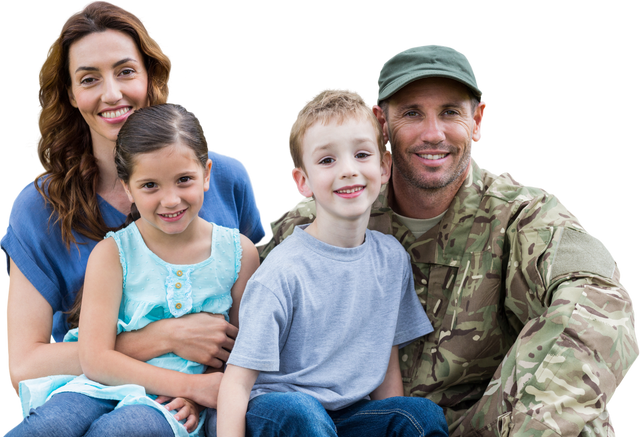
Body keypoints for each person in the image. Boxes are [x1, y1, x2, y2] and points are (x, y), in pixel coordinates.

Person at [257, 43, 639, 436]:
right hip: (353, 425)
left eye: (450, 112)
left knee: (583, 415)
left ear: (478, 120)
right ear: (381, 124)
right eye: (411, 113)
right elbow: (227, 286)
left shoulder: (523, 216)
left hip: (489, 427)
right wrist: (187, 334)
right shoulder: (321, 219)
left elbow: (601, 312)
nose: (433, 134)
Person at [1, 1, 266, 434]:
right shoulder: (36, 208)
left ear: (149, 75)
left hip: (184, 409)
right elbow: (25, 365)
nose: (112, 93)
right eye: (89, 79)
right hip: (81, 392)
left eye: (125, 71)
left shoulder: (225, 179)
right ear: (70, 93)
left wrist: (203, 390)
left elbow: (256, 324)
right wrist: (164, 338)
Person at [216, 86, 449, 437]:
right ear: (303, 181)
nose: (348, 171)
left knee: (419, 416)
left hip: (349, 415)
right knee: (305, 415)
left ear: (384, 166)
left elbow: (385, 364)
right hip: (278, 410)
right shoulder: (283, 272)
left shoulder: (391, 259)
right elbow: (236, 382)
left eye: (361, 154)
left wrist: (393, 420)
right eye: (328, 160)